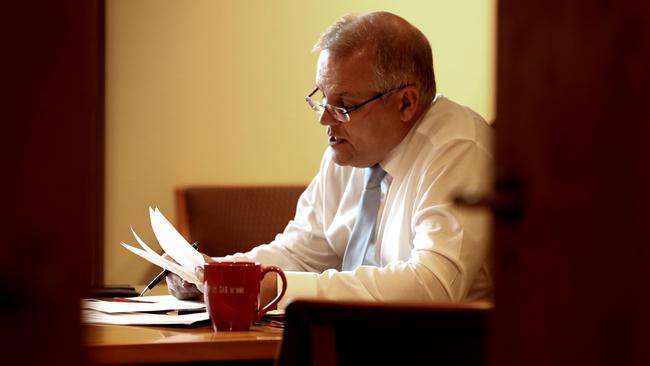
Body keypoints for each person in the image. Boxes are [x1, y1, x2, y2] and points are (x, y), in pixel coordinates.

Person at [168, 11, 493, 303]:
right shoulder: (349, 150)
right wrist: (220, 273)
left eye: (343, 105)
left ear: (406, 103)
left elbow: (432, 286)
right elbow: (301, 253)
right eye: (322, 98)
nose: (325, 119)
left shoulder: (458, 148)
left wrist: (278, 287)